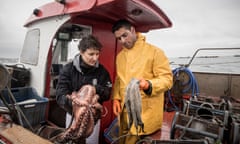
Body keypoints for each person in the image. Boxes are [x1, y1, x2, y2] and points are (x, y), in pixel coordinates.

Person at [111, 19, 173, 144]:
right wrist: (116, 98)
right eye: (119, 38)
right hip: (124, 114)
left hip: (145, 115)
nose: (123, 41)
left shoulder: (155, 52)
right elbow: (119, 79)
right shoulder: (120, 57)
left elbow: (167, 79)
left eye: (125, 35)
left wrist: (149, 85)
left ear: (133, 30)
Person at [56, 35, 112, 144]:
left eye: (97, 54)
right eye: (91, 54)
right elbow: (60, 94)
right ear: (81, 52)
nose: (95, 58)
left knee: (91, 141)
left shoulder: (102, 72)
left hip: (93, 117)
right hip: (72, 115)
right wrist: (75, 103)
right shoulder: (68, 69)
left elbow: (108, 93)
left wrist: (95, 89)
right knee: (71, 140)